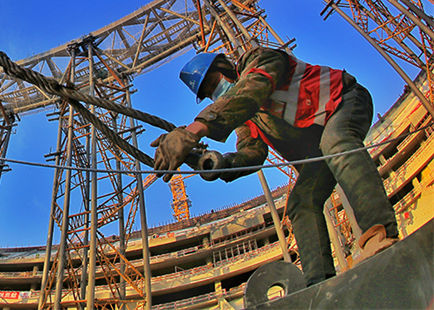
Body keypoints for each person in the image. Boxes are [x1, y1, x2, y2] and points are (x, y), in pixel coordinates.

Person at [152, 47, 398, 286]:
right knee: (302, 203)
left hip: (345, 102)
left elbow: (250, 91)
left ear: (224, 67)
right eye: (208, 93)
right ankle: (319, 285)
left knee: (337, 142)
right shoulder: (245, 117)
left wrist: (194, 130)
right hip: (320, 149)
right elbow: (252, 153)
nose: (215, 92)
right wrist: (219, 164)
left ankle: (379, 234)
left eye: (213, 83)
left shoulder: (261, 59)